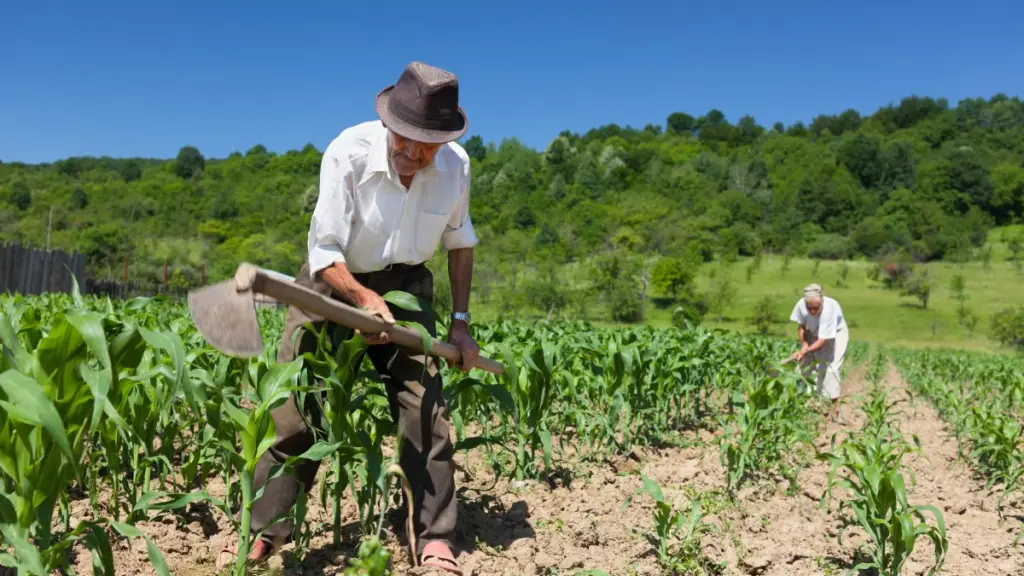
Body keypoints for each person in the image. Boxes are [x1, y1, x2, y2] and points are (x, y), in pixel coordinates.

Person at [216, 61, 479, 575]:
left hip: (407, 287)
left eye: (425, 144)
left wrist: (461, 321)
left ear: (444, 141)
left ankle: (435, 540)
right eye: (403, 138)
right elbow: (325, 249)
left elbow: (460, 244)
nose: (410, 152)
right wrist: (361, 299)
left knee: (425, 409)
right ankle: (261, 532)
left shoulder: (456, 168)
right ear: (388, 124)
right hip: (333, 283)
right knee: (295, 411)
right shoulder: (347, 153)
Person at [788, 283, 849, 421]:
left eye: (816, 308)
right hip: (813, 333)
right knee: (805, 366)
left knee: (829, 368)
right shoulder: (801, 305)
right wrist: (804, 344)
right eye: (810, 308)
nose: (813, 311)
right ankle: (807, 403)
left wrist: (806, 350)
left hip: (834, 336)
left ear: (822, 301)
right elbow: (801, 327)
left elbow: (824, 339)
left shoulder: (830, 309)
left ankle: (833, 410)